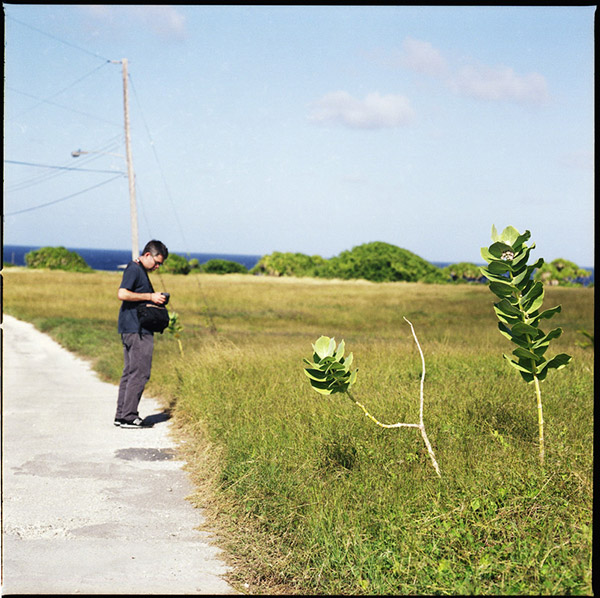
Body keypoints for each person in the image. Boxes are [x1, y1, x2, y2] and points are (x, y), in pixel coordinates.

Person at [114, 240, 169, 428]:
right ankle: (129, 416)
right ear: (147, 255)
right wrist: (150, 297)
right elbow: (122, 293)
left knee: (130, 372)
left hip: (131, 328)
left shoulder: (139, 270)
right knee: (140, 372)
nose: (157, 266)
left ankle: (121, 415)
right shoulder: (134, 269)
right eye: (156, 262)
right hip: (137, 330)